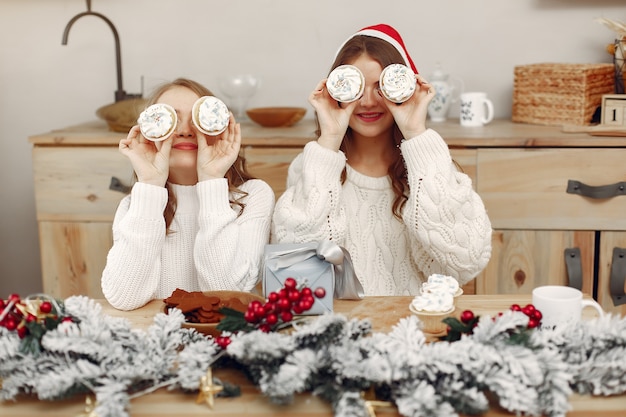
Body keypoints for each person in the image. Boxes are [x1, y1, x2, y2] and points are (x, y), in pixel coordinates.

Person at [271, 24, 492, 296]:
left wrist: (416, 134)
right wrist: (328, 141)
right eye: (355, 88)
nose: (367, 102)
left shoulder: (430, 168)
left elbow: (464, 263)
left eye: (381, 88)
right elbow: (297, 272)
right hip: (336, 328)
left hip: (417, 325)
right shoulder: (313, 166)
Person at [102, 78, 275, 310]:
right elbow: (125, 297)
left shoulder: (252, 196)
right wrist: (151, 184)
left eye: (198, 120)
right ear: (150, 132)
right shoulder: (135, 206)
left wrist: (212, 178)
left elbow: (229, 296)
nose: (184, 131)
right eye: (169, 120)